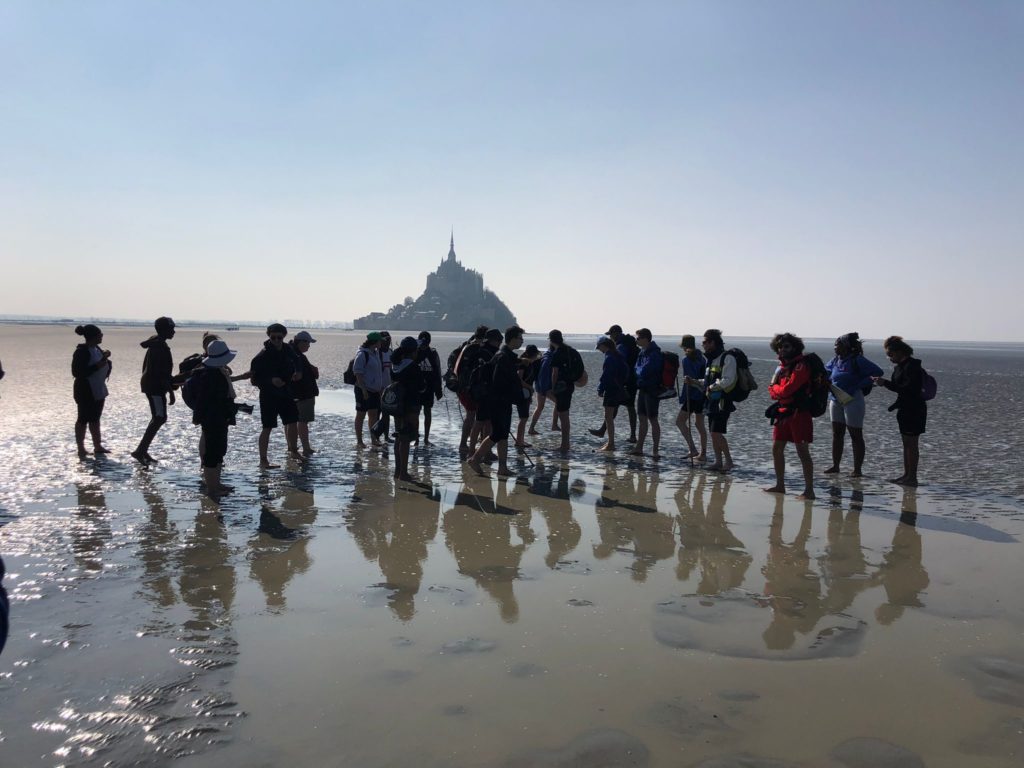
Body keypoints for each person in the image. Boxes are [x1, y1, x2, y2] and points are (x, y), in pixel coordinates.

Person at [823, 332, 884, 477]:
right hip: (835, 398)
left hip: (853, 399)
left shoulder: (858, 360)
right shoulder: (835, 360)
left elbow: (878, 372)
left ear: (846, 346)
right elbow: (826, 371)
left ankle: (857, 470)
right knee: (837, 433)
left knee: (855, 434)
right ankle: (835, 466)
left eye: (837, 345)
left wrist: (859, 385)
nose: (835, 347)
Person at [469, 326, 526, 477]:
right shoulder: (503, 357)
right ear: (512, 339)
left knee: (503, 435)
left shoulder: (504, 355)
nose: (522, 341)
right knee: (498, 433)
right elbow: (501, 383)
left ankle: (502, 467)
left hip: (501, 401)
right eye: (520, 338)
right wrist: (518, 397)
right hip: (498, 401)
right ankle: (475, 458)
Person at [764, 333, 816, 500]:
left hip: (800, 414)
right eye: (780, 346)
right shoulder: (781, 367)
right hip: (783, 412)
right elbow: (773, 391)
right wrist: (776, 390)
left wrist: (776, 389)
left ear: (795, 347)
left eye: (786, 346)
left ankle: (809, 490)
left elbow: (787, 389)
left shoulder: (801, 365)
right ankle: (780, 485)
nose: (782, 349)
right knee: (776, 448)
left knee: (802, 452)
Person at [874, 336, 927, 487]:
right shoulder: (900, 367)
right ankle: (906, 474)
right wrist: (884, 383)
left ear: (899, 352)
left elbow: (910, 390)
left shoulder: (912, 367)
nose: (889, 358)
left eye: (890, 354)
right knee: (906, 443)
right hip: (904, 408)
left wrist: (886, 383)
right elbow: (899, 388)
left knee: (912, 443)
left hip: (915, 409)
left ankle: (912, 477)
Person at [250, 323, 302, 468]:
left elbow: (297, 360)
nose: (277, 340)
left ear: (284, 336)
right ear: (269, 336)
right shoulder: (262, 355)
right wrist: (270, 380)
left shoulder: (288, 349)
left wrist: (299, 372)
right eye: (273, 337)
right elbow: (254, 379)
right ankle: (263, 460)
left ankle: (293, 451)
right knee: (267, 427)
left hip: (286, 393)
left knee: (292, 422)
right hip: (268, 396)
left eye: (279, 337)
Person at [132, 316, 180, 465]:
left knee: (158, 417)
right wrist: (171, 391)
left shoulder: (156, 342)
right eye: (171, 329)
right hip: (155, 387)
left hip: (153, 386)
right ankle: (140, 450)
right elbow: (160, 373)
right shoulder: (159, 346)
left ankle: (142, 450)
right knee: (159, 417)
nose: (174, 332)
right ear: (164, 330)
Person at [195, 339, 240, 498]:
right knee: (212, 454)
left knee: (219, 452)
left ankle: (216, 484)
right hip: (214, 418)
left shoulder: (215, 372)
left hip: (218, 417)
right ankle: (212, 488)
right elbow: (222, 397)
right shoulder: (211, 375)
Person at [589, 325, 639, 443]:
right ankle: (604, 430)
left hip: (623, 382)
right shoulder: (627, 343)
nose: (610, 337)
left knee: (625, 407)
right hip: (630, 380)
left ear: (616, 333)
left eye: (611, 334)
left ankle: (629, 436)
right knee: (624, 407)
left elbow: (617, 364)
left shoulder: (621, 346)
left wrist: (604, 387)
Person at [71, 324, 112, 459]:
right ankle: (81, 448)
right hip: (85, 389)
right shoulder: (81, 351)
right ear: (93, 336)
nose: (102, 336)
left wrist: (105, 359)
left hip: (98, 388)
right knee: (83, 419)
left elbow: (102, 363)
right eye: (100, 334)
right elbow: (77, 372)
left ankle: (97, 446)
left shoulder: (96, 348)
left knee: (95, 418)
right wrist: (98, 365)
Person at [389, 337, 425, 481]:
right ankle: (403, 473)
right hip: (410, 406)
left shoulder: (395, 365)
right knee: (406, 439)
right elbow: (421, 387)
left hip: (397, 405)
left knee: (399, 437)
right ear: (413, 351)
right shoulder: (413, 367)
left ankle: (398, 471)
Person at [454, 326, 492, 458]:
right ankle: (466, 445)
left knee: (474, 416)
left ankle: (469, 444)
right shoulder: (477, 348)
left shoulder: (466, 345)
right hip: (470, 388)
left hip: (463, 387)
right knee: (475, 416)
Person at [702, 329, 736, 472]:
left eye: (705, 342)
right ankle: (718, 462)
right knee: (712, 432)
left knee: (716, 432)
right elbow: (708, 380)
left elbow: (728, 380)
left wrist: (712, 386)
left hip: (723, 402)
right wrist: (695, 382)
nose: (703, 345)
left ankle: (729, 461)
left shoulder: (727, 358)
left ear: (712, 342)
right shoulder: (711, 360)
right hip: (711, 402)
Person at [632, 328, 664, 459]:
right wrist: (638, 372)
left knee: (653, 419)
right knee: (642, 418)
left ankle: (655, 450)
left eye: (638, 338)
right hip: (642, 388)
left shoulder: (654, 353)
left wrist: (639, 372)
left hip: (652, 389)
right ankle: (639, 447)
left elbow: (645, 370)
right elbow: (637, 368)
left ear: (645, 339)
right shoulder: (642, 352)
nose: (636, 340)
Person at [676, 334, 708, 462]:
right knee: (700, 424)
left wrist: (684, 396)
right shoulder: (702, 358)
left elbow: (689, 380)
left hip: (693, 395)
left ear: (684, 345)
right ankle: (703, 453)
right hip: (703, 394)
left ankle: (693, 449)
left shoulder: (686, 359)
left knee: (680, 422)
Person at [595, 335, 628, 452]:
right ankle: (610, 443)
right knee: (609, 417)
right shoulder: (618, 355)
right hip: (619, 388)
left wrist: (600, 389)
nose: (599, 350)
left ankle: (611, 444)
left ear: (604, 345)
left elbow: (606, 376)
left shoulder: (609, 357)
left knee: (608, 417)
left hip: (611, 389)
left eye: (599, 347)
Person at [289, 331, 320, 457]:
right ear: (301, 342)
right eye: (307, 343)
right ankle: (306, 448)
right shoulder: (296, 355)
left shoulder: (292, 353)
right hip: (303, 393)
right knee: (303, 421)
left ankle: (291, 447)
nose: (309, 346)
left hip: (295, 393)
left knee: (291, 421)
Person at [353, 332, 386, 448]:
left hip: (374, 390)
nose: (382, 342)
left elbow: (378, 373)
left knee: (373, 414)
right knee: (361, 415)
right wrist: (364, 390)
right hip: (363, 389)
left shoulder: (376, 353)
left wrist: (380, 387)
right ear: (374, 342)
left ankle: (373, 439)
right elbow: (358, 373)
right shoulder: (362, 354)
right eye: (380, 341)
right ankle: (359, 441)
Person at [547, 330, 576, 453]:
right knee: (565, 414)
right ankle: (565, 443)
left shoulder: (557, 353)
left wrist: (553, 388)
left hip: (561, 386)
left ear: (550, 340)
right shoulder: (571, 350)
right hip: (570, 385)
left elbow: (555, 373)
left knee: (563, 416)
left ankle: (565, 445)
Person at [416, 331, 444, 446]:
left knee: (427, 412)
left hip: (429, 388)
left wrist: (438, 390)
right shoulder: (415, 352)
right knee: (415, 413)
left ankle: (426, 438)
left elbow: (437, 371)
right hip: (416, 388)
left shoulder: (432, 353)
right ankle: (416, 438)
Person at [515, 344, 541, 450]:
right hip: (521, 393)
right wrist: (529, 387)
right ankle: (519, 441)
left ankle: (520, 439)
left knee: (524, 417)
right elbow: (519, 380)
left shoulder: (530, 363)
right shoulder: (523, 363)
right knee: (523, 418)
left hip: (526, 393)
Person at [528, 344, 554, 437]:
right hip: (544, 387)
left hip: (539, 385)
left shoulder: (545, 356)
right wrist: (544, 389)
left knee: (540, 407)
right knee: (559, 403)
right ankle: (554, 425)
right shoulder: (548, 359)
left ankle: (531, 428)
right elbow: (543, 375)